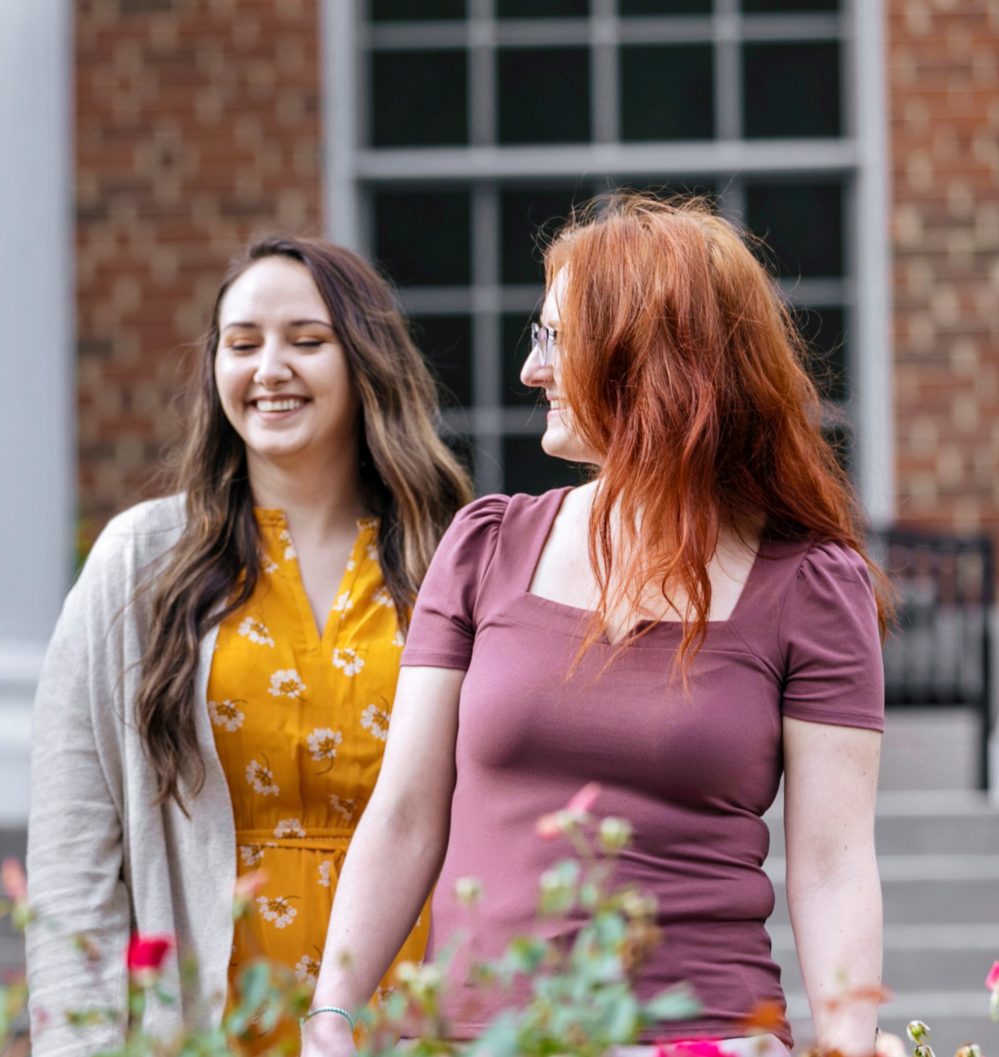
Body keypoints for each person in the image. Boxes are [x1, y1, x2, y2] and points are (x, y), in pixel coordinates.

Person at [302, 193, 889, 1057]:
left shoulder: (808, 585)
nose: (531, 372)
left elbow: (834, 864)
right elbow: (405, 813)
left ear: (648, 360)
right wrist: (333, 1012)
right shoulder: (486, 546)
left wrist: (847, 1040)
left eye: (554, 340)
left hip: (702, 1040)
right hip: (479, 1039)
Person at [26, 235, 477, 1055]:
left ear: (366, 362)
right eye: (242, 345)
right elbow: (70, 856)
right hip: (212, 1023)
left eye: (306, 341)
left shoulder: (456, 557)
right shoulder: (138, 562)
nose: (270, 367)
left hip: (419, 1015)